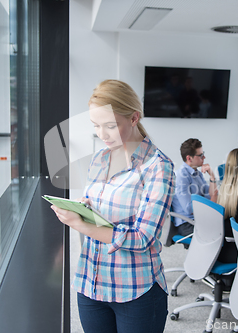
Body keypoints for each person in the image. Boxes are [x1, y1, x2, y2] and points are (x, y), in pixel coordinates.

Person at [50, 80, 174, 333]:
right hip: (91, 283)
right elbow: (101, 211)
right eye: (96, 126)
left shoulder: (157, 167)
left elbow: (143, 239)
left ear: (133, 118)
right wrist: (84, 209)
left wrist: (81, 225)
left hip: (135, 289)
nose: (102, 134)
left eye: (110, 125)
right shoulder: (100, 159)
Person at [171, 138, 218, 236]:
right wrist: (210, 202)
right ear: (189, 158)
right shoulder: (181, 176)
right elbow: (189, 209)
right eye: (200, 155)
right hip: (187, 223)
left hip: (200, 219)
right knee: (217, 234)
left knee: (225, 226)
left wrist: (212, 176)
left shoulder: (197, 173)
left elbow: (210, 196)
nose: (204, 157)